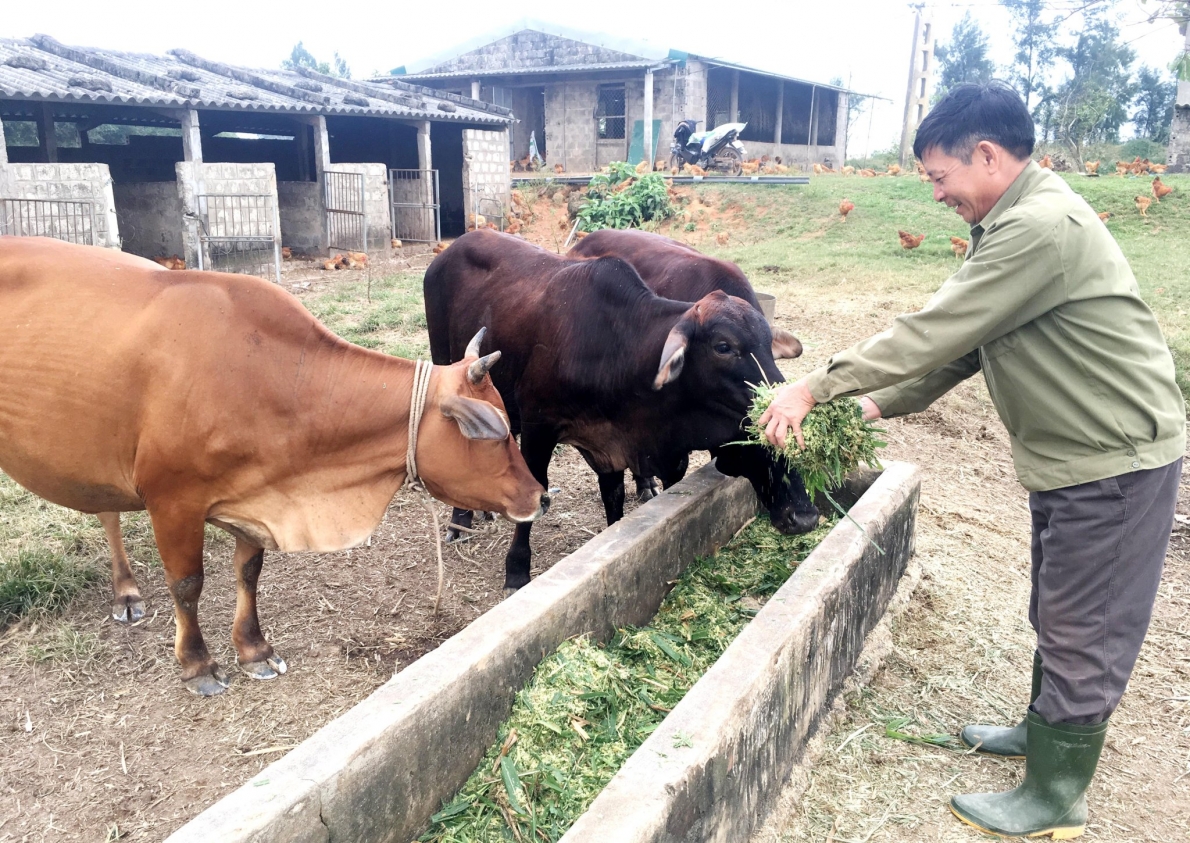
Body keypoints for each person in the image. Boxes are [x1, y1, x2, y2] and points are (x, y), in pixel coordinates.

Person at [759, 81, 1184, 839]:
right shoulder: (1013, 222)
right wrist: (872, 405)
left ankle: (1056, 796)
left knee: (1084, 620)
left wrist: (815, 388)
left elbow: (933, 328)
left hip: (1112, 460)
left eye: (938, 177)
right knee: (1058, 605)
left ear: (986, 155)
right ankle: (1042, 729)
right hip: (1073, 455)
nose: (936, 194)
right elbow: (966, 348)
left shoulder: (1040, 227)